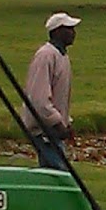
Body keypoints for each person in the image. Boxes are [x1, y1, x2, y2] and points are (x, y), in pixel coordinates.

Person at [22, 12, 80, 170]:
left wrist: (66, 122)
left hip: (51, 129)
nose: (73, 33)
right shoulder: (46, 56)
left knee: (52, 173)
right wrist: (57, 123)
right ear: (57, 31)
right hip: (44, 130)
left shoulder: (61, 56)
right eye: (69, 29)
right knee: (59, 173)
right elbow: (39, 99)